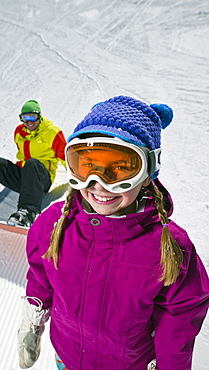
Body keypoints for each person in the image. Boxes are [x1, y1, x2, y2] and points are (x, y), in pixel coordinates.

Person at [17, 96, 209, 369]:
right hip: (67, 358)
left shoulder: (169, 245)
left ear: (148, 172)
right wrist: (32, 320)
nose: (98, 184)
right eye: (86, 166)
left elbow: (179, 316)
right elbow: (40, 275)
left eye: (119, 169)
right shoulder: (53, 223)